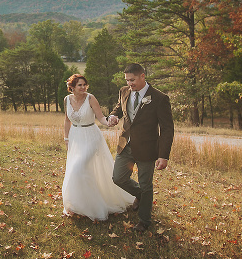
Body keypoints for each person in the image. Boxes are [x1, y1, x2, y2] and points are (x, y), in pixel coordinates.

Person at [108, 63, 174, 232]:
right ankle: (141, 196)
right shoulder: (123, 91)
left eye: (132, 80)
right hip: (125, 145)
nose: (129, 84)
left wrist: (163, 155)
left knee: (146, 185)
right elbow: (119, 108)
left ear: (143, 76)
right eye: (127, 80)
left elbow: (167, 129)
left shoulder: (159, 98)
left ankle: (144, 220)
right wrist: (114, 115)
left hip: (147, 148)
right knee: (118, 178)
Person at [62, 74, 135, 220]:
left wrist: (109, 121)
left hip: (91, 137)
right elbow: (66, 120)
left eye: (84, 84)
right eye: (79, 85)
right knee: (77, 170)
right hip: (75, 137)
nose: (83, 87)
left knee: (78, 168)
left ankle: (93, 206)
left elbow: (100, 117)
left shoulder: (90, 98)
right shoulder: (67, 100)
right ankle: (77, 204)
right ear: (72, 88)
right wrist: (66, 138)